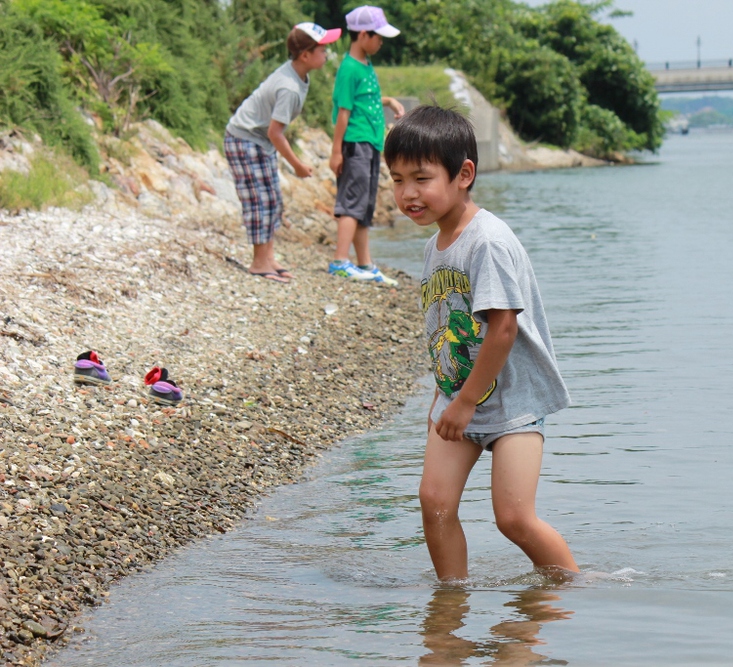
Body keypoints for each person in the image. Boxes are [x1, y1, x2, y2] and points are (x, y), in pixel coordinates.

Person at [383, 105, 579, 582]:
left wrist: (466, 402)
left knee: (514, 518)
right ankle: (451, 601)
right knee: (435, 503)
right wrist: (444, 398)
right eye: (397, 180)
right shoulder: (435, 245)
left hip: (512, 402)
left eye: (422, 179)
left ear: (464, 174)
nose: (408, 193)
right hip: (459, 400)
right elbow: (445, 327)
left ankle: (574, 590)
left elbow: (503, 328)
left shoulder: (486, 241)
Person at [224, 23, 340, 283]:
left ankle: (268, 257)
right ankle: (258, 263)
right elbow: (275, 132)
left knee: (273, 199)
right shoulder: (289, 87)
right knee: (260, 201)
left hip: (259, 140)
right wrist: (297, 165)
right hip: (244, 139)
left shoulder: (298, 75)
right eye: (322, 49)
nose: (327, 54)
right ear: (305, 55)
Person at [327, 5, 404, 285]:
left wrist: (389, 101)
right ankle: (340, 261)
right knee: (352, 202)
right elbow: (344, 111)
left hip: (370, 143)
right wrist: (336, 151)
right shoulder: (349, 69)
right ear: (362, 35)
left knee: (365, 204)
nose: (381, 41)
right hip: (355, 143)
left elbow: (365, 99)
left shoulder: (365, 64)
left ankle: (365, 264)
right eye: (378, 36)